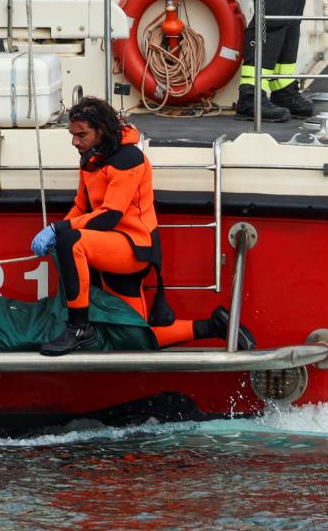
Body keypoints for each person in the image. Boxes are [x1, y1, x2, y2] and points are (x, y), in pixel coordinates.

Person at [31, 97, 256, 356]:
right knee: (134, 338)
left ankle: (79, 328)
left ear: (101, 131)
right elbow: (82, 207)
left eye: (81, 135)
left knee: (70, 241)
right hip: (105, 247)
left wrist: (59, 230)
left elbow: (109, 216)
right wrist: (57, 228)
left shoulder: (129, 159)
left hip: (132, 248)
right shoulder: (91, 160)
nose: (75, 142)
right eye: (72, 135)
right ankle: (213, 327)